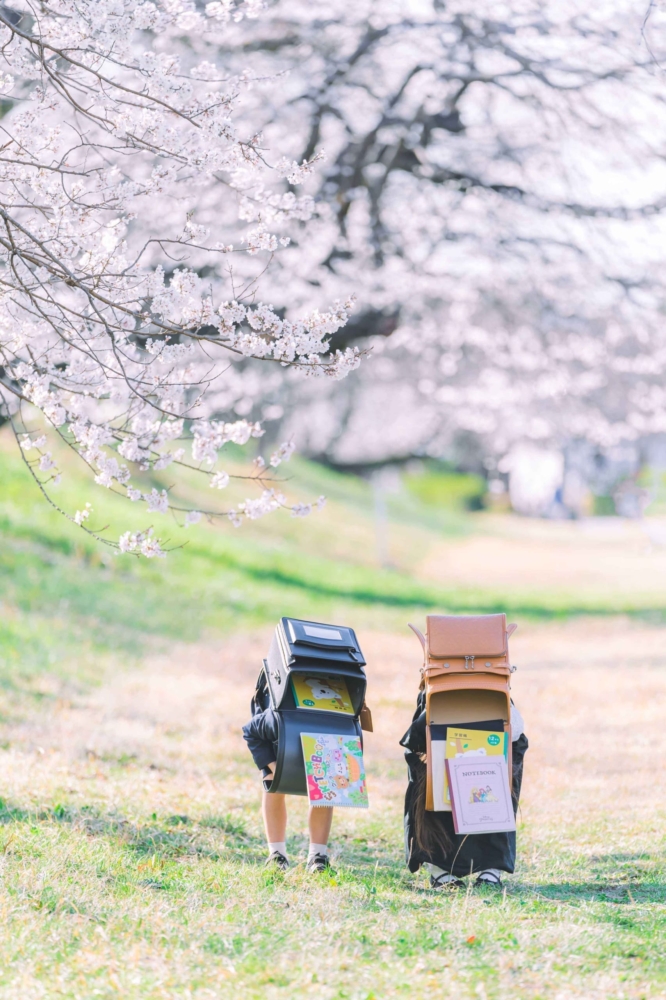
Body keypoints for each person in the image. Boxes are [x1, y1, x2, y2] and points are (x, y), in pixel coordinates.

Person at [400, 693, 528, 888]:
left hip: (490, 697)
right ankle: (440, 869)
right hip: (444, 698)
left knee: (494, 791)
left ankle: (491, 869)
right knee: (434, 781)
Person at [242, 667, 333, 872]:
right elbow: (250, 732)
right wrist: (274, 768)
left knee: (324, 789)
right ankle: (277, 854)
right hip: (278, 740)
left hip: (324, 723)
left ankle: (318, 857)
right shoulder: (274, 720)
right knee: (274, 786)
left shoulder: (335, 726)